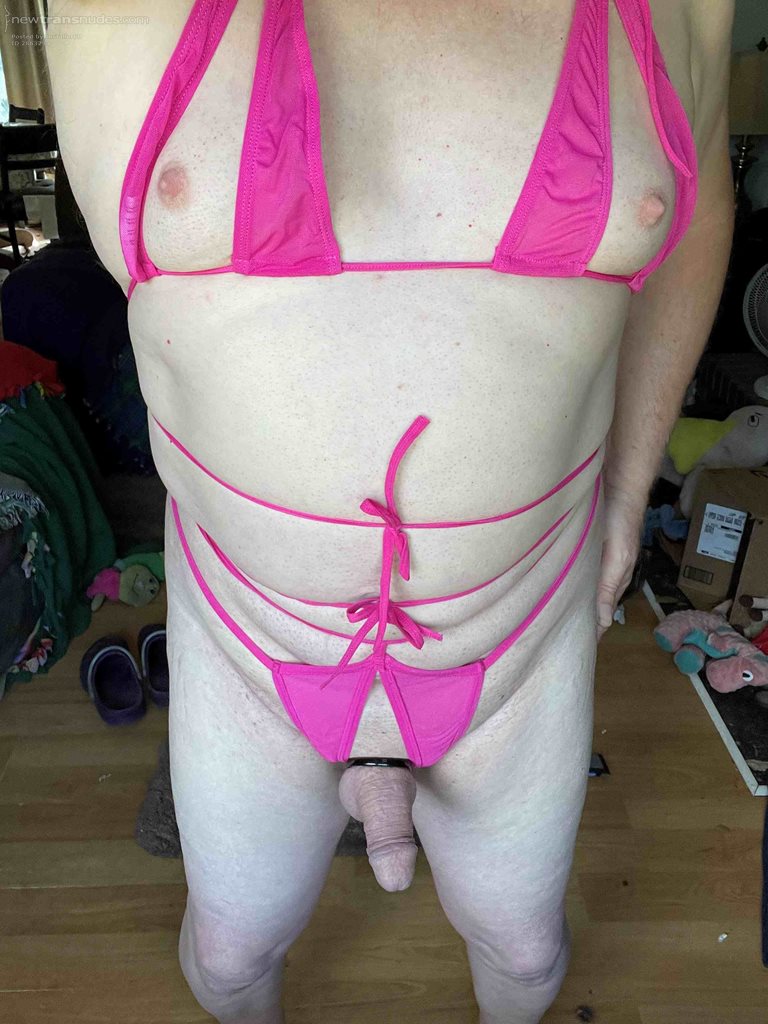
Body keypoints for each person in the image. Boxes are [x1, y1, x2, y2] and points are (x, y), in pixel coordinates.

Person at [46, 2, 734, 1021]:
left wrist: (630, 492)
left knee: (527, 955)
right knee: (231, 959)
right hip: (248, 639)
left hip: (520, 634)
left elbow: (696, 213)